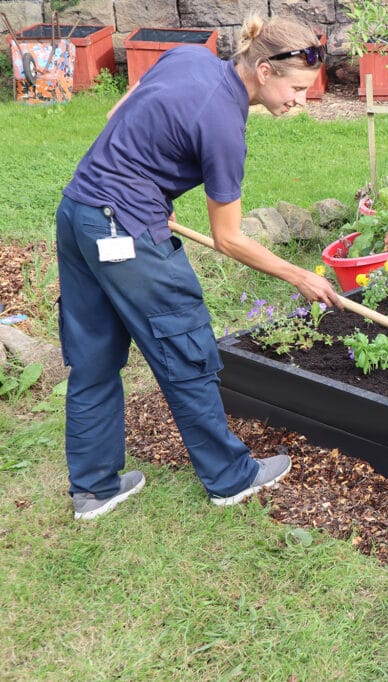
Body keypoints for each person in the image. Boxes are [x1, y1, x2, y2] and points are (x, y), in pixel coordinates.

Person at [56, 15, 339, 520]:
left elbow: (120, 113)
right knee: (182, 344)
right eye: (296, 88)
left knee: (93, 354)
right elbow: (228, 238)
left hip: (78, 212)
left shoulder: (189, 58)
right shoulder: (225, 127)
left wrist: (143, 178)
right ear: (265, 70)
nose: (301, 101)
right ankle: (231, 478)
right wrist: (300, 276)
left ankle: (94, 489)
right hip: (124, 232)